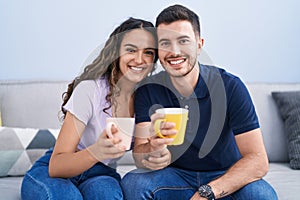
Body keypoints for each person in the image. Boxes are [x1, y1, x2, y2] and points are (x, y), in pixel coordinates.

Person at [121, 4, 278, 200]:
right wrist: (153, 149)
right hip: (175, 176)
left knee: (261, 195)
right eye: (165, 43)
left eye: (183, 41)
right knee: (133, 184)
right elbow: (139, 157)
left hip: (226, 176)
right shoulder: (149, 91)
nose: (174, 51)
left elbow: (258, 160)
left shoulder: (230, 87)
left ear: (199, 44)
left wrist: (208, 193)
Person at [21, 17, 157, 200]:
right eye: (131, 49)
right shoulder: (90, 90)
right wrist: (97, 151)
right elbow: (56, 166)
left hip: (100, 173)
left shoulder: (146, 99)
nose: (140, 59)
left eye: (148, 52)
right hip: (54, 170)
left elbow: (144, 153)